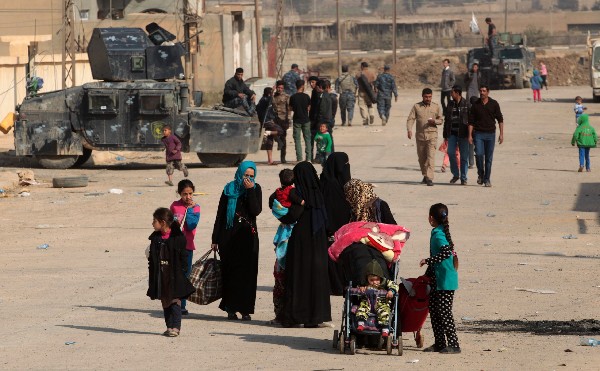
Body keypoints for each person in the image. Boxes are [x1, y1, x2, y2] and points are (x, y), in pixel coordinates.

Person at [211, 161, 262, 321]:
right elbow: (220, 215)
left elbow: (256, 210)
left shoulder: (255, 188)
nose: (248, 179)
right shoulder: (228, 190)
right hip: (228, 238)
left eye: (251, 176)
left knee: (247, 274)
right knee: (230, 273)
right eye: (246, 175)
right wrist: (215, 239)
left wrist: (250, 191)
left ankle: (245, 309)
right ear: (240, 173)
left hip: (247, 237)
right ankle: (231, 308)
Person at [282, 162, 331, 327]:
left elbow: (292, 216)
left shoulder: (298, 194)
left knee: (299, 276)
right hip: (318, 242)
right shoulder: (320, 194)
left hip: (301, 242)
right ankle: (315, 317)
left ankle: (296, 316)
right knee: (316, 277)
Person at [147, 207, 195, 337]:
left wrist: (183, 273)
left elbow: (183, 257)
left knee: (175, 301)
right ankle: (169, 326)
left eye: (154, 220)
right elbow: (152, 259)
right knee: (165, 301)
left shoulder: (177, 238)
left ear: (162, 222)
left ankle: (176, 327)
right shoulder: (155, 239)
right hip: (161, 275)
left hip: (175, 275)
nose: (152, 223)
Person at [419, 203, 460, 354]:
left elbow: (445, 253)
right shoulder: (439, 231)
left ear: (431, 218)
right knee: (435, 311)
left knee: (444, 312)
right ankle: (440, 343)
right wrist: (426, 275)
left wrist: (427, 261)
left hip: (446, 281)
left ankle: (454, 345)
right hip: (438, 279)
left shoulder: (439, 235)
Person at [268, 168, 305, 325]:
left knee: (280, 274)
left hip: (283, 230)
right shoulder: (294, 192)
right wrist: (304, 202)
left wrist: (280, 210)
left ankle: (280, 314)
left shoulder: (277, 192)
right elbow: (299, 204)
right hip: (291, 234)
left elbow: (272, 203)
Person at [320, 152, 352, 295]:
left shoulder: (335, 183)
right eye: (345, 165)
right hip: (332, 229)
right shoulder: (331, 186)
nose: (347, 168)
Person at [170, 180, 201, 315]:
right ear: (179, 193)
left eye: (190, 193)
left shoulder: (196, 207)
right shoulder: (174, 206)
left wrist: (190, 210)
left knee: (185, 275)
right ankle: (172, 302)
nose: (188, 197)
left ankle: (181, 305)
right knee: (173, 274)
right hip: (174, 246)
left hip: (187, 246)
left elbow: (191, 225)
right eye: (184, 194)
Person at [468, 85, 504, 187]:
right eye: (481, 91)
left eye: (484, 91)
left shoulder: (494, 104)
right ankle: (481, 174)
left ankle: (487, 179)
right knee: (479, 154)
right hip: (478, 134)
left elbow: (500, 119)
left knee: (488, 158)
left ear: (488, 92)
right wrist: (470, 135)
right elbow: (471, 122)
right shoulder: (476, 105)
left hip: (490, 134)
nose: (482, 93)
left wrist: (501, 134)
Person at [406, 88, 443, 186]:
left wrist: (434, 121)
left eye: (430, 97)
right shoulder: (416, 106)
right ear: (422, 96)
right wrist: (409, 130)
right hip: (420, 136)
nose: (428, 98)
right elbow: (410, 119)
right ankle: (425, 175)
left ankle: (430, 178)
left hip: (432, 135)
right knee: (422, 158)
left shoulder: (436, 107)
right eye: (426, 97)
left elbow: (441, 120)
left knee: (431, 157)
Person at [355, 259, 399, 337]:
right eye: (372, 280)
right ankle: (361, 323)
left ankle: (385, 329)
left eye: (377, 280)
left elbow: (395, 285)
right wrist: (360, 288)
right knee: (361, 309)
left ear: (381, 278)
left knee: (384, 312)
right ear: (367, 279)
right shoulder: (365, 284)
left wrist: (391, 291)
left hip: (381, 303)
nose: (375, 282)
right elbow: (357, 289)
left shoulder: (385, 282)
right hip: (367, 302)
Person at [443, 86, 470, 185]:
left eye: (452, 92)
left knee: (464, 157)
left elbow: (471, 120)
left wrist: (471, 134)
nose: (451, 94)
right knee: (450, 153)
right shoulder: (450, 104)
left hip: (464, 134)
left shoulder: (466, 103)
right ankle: (455, 174)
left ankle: (463, 178)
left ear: (457, 93)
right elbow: (446, 120)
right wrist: (445, 134)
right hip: (452, 133)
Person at [290, 79, 312, 162]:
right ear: (302, 86)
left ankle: (299, 158)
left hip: (297, 120)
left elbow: (291, 108)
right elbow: (309, 108)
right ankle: (309, 158)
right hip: (306, 120)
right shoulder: (306, 96)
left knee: (297, 140)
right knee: (307, 139)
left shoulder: (293, 97)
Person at [272, 80, 291, 163]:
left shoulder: (286, 96)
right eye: (278, 87)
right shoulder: (273, 96)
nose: (279, 89)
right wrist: (272, 92)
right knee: (271, 134)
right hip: (275, 119)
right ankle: (278, 141)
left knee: (283, 138)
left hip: (283, 119)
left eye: (281, 88)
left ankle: (283, 158)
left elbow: (289, 109)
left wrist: (289, 120)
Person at [316, 80, 335, 153]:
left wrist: (320, 120)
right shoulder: (331, 96)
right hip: (329, 120)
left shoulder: (323, 96)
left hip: (324, 121)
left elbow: (322, 110)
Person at [308, 76, 321, 159]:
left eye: (313, 82)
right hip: (313, 118)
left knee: (317, 138)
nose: (311, 84)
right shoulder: (314, 91)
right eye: (310, 82)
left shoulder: (317, 92)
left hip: (316, 119)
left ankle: (318, 156)